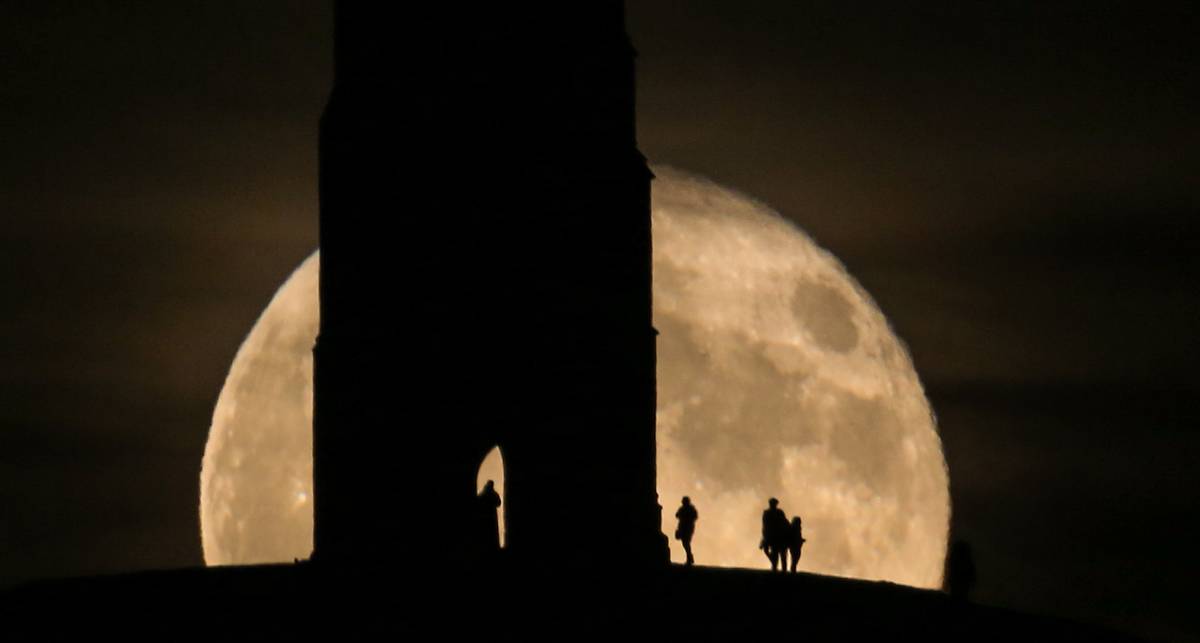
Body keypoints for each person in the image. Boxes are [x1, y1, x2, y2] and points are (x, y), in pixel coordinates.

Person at [760, 498, 790, 571]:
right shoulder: (767, 513)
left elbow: (785, 522)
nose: (773, 505)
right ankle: (775, 566)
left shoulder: (779, 512)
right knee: (774, 553)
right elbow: (765, 526)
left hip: (779, 537)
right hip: (773, 537)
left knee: (781, 555)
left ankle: (781, 569)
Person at [477, 479, 502, 552]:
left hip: (484, 516)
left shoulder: (483, 493)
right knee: (492, 533)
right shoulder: (494, 493)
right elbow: (499, 503)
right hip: (492, 516)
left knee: (485, 532)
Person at [674, 496, 699, 565]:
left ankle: (690, 558)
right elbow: (677, 515)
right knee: (686, 543)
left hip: (687, 528)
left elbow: (695, 517)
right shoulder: (686, 508)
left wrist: (685, 517)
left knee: (686, 543)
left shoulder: (689, 509)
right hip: (685, 528)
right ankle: (690, 558)